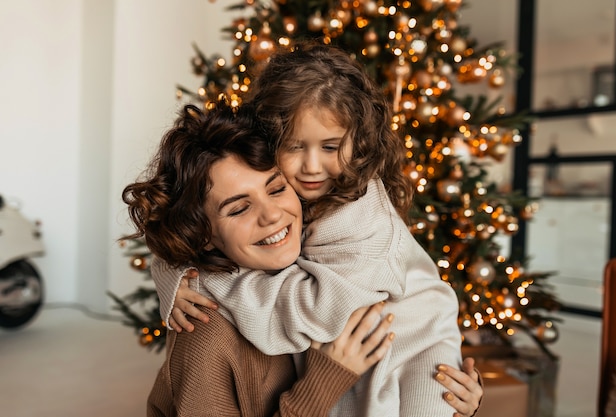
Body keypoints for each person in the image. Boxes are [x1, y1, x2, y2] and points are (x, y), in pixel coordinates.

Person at [153, 42, 482, 417]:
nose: (311, 168)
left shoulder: (360, 218)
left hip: (421, 355)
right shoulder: (206, 335)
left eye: (330, 146)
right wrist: (174, 271)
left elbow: (318, 311)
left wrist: (203, 279)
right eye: (294, 147)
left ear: (357, 144)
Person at [122, 101, 396, 416]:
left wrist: (463, 405)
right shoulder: (205, 339)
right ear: (203, 234)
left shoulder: (318, 259)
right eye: (239, 208)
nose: (272, 215)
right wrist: (323, 381)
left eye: (277, 189)